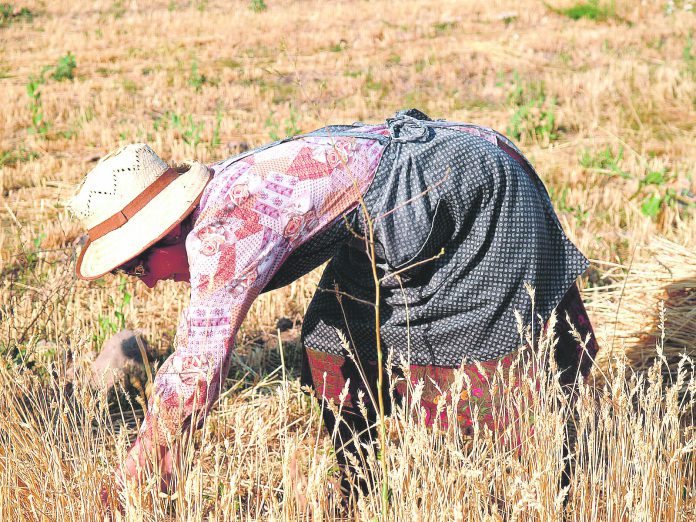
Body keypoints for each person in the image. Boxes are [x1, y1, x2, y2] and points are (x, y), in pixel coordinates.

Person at [68, 109, 599, 502]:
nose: (145, 284)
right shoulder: (218, 196)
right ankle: (360, 485)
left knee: (484, 351)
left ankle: (560, 477)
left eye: (136, 266)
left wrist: (134, 483)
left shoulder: (224, 232)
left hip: (466, 189)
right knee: (331, 341)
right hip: (397, 209)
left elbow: (193, 375)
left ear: (167, 231)